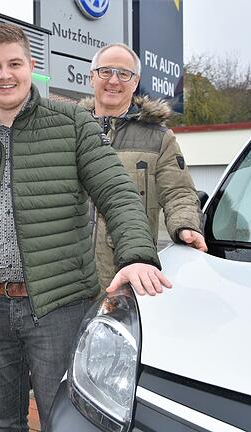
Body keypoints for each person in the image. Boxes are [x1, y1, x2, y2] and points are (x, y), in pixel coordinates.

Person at [0, 23, 171, 431]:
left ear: (31, 66)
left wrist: (136, 255)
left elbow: (117, 192)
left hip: (59, 308)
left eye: (14, 63)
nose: (5, 74)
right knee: (3, 422)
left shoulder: (73, 124)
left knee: (66, 421)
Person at [81, 43, 207, 288]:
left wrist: (186, 225)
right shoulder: (66, 131)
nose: (114, 81)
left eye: (124, 74)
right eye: (105, 71)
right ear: (91, 77)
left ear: (136, 81)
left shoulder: (159, 138)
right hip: (65, 280)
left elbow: (179, 193)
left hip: (125, 276)